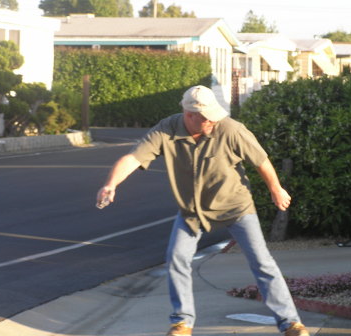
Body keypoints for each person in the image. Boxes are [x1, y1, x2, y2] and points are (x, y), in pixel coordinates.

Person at [96, 85, 309, 336]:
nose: (212, 122)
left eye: (213, 117)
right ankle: (182, 323)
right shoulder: (167, 129)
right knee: (177, 260)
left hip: (236, 207)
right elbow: (134, 158)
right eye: (207, 119)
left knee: (262, 263)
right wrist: (111, 184)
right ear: (189, 115)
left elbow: (260, 159)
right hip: (192, 212)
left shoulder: (230, 129)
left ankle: (291, 323)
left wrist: (276, 188)